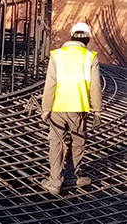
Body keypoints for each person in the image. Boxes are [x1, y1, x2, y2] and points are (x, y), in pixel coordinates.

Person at [40, 22, 103, 195]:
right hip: (79, 107)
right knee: (78, 142)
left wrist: (46, 109)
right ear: (88, 39)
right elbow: (95, 87)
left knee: (56, 142)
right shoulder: (90, 57)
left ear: (71, 36)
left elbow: (50, 84)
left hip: (58, 107)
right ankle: (71, 177)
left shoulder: (57, 55)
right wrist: (97, 111)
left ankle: (54, 182)